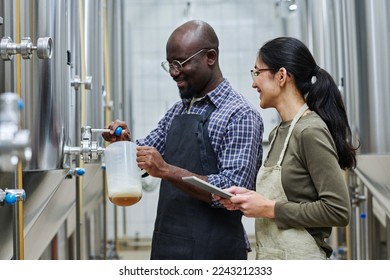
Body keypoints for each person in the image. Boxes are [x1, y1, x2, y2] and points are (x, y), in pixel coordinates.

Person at [102, 20, 264, 260]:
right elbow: (146, 157)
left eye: (181, 63)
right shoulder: (178, 110)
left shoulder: (239, 115)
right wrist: (124, 145)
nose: (174, 72)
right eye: (169, 64)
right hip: (167, 244)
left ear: (210, 57)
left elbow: (232, 192)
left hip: (214, 251)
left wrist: (167, 171)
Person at [215, 37, 357, 260]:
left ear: (281, 76)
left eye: (257, 72)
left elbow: (338, 210)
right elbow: (291, 194)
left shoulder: (310, 131)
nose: (254, 83)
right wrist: (248, 198)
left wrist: (270, 209)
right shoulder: (278, 132)